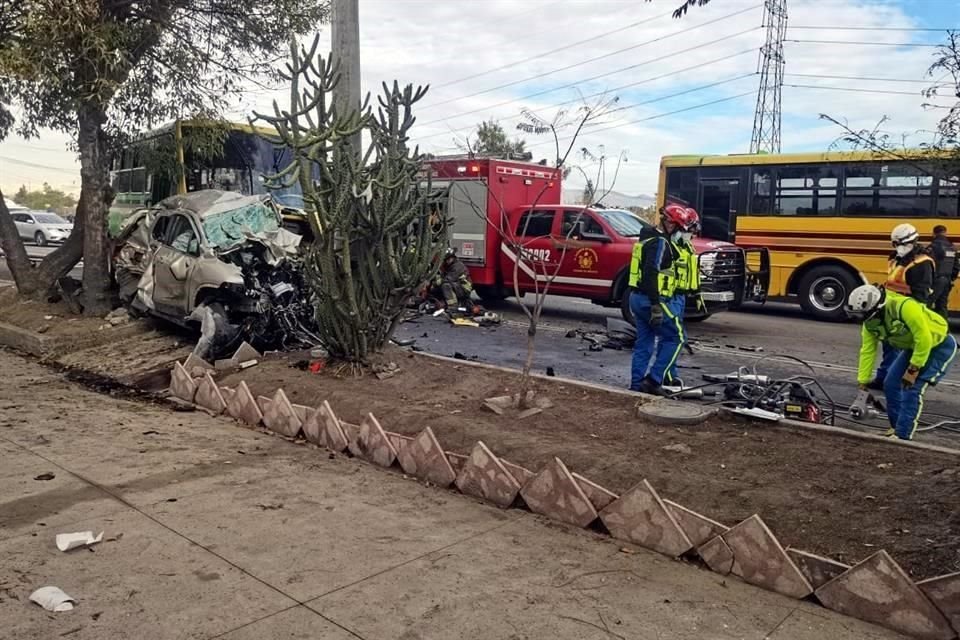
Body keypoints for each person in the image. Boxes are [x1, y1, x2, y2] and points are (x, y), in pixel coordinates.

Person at [847, 284, 957, 440]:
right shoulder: (869, 324)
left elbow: (924, 339)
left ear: (877, 308)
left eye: (865, 315)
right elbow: (867, 351)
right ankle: (895, 428)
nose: (862, 320)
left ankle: (903, 436)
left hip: (939, 347)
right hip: (913, 348)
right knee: (891, 384)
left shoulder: (905, 307)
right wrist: (863, 382)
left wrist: (913, 370)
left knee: (912, 389)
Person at [628, 202, 700, 395]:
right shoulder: (661, 243)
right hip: (652, 300)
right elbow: (651, 273)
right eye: (679, 228)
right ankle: (653, 380)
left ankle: (636, 386)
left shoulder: (647, 238)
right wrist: (655, 305)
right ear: (670, 224)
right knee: (677, 337)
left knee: (644, 343)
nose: (681, 233)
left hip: (636, 298)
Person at [868, 223, 936, 390]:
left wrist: (910, 314)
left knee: (898, 349)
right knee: (889, 346)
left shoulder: (922, 263)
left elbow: (921, 294)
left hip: (907, 311)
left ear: (914, 242)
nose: (899, 247)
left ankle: (893, 381)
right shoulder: (895, 258)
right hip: (890, 310)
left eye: (902, 244)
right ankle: (884, 378)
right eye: (896, 244)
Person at [929, 225, 958, 319]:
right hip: (947, 281)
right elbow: (956, 266)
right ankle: (943, 326)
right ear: (945, 233)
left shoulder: (933, 246)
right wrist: (951, 278)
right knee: (942, 306)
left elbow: (928, 264)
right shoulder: (952, 247)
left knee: (926, 303)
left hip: (936, 280)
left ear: (933, 234)